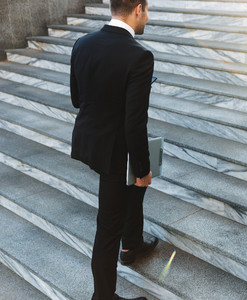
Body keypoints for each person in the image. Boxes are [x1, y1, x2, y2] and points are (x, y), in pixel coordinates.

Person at [70, 0, 158, 299]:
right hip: (115, 154)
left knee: (133, 188)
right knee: (107, 229)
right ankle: (103, 296)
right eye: (147, 10)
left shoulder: (83, 43)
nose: (148, 16)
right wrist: (144, 170)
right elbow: (135, 124)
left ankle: (132, 242)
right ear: (137, 9)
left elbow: (77, 98)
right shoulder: (139, 56)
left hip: (89, 141)